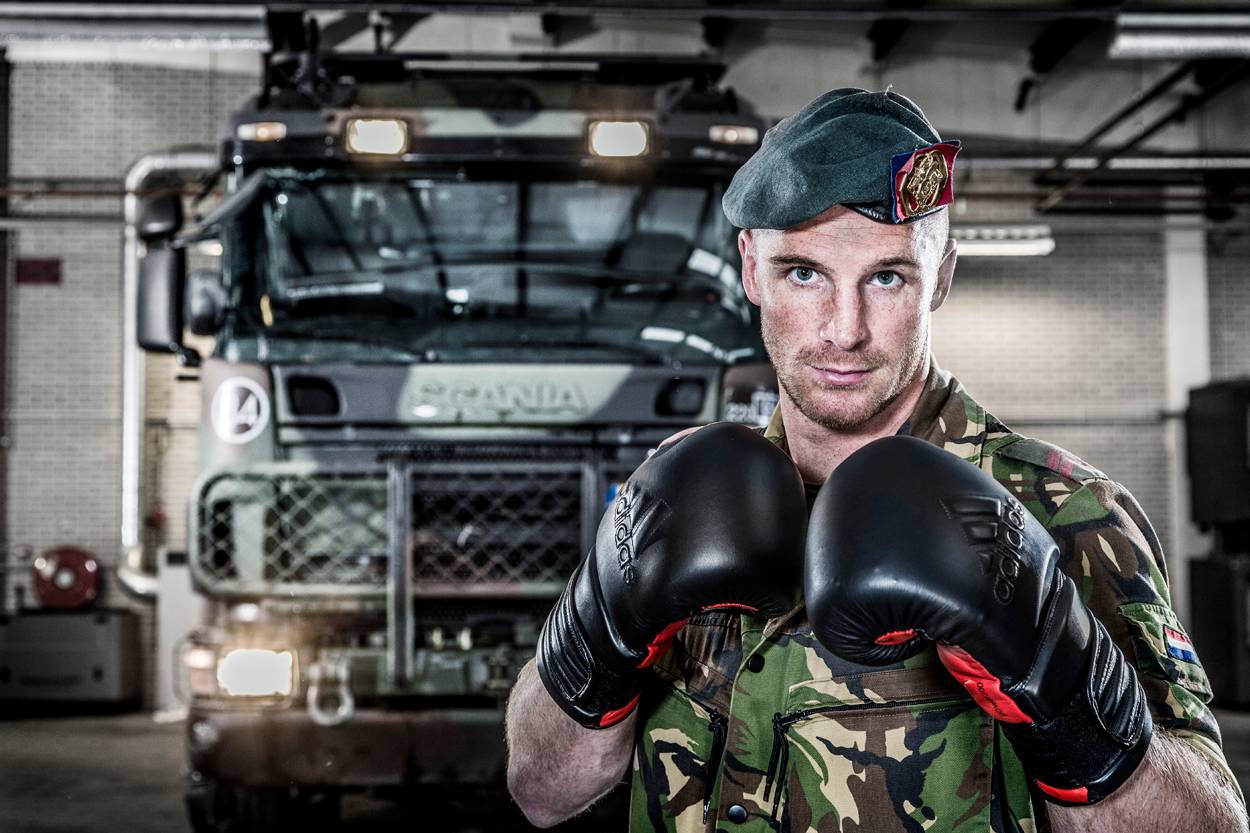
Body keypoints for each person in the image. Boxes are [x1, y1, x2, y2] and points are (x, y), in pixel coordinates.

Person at [505, 87, 1247, 832]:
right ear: (752, 268)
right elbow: (541, 790)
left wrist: (1065, 690)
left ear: (941, 278)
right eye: (804, 274)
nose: (844, 330)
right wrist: (602, 621)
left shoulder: (1064, 513)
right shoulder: (679, 492)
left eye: (887, 278)